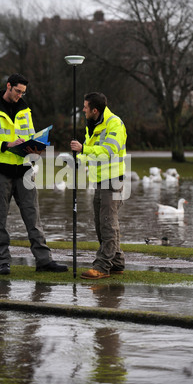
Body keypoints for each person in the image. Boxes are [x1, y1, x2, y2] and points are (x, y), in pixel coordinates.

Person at [0, 73, 68, 275]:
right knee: (0, 218)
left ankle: (44, 261)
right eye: (17, 91)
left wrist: (36, 147)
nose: (20, 95)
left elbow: (30, 135)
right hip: (1, 172)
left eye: (23, 92)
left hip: (25, 170)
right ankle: (3, 262)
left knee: (33, 216)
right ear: (8, 86)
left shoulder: (25, 110)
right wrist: (7, 144)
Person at [71, 92, 127, 279]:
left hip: (113, 180)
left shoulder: (114, 124)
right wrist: (78, 160)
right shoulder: (93, 124)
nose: (83, 110)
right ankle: (117, 262)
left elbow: (109, 151)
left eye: (85, 107)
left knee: (107, 224)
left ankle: (102, 266)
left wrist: (83, 149)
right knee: (101, 223)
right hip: (99, 180)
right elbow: (90, 151)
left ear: (95, 110)